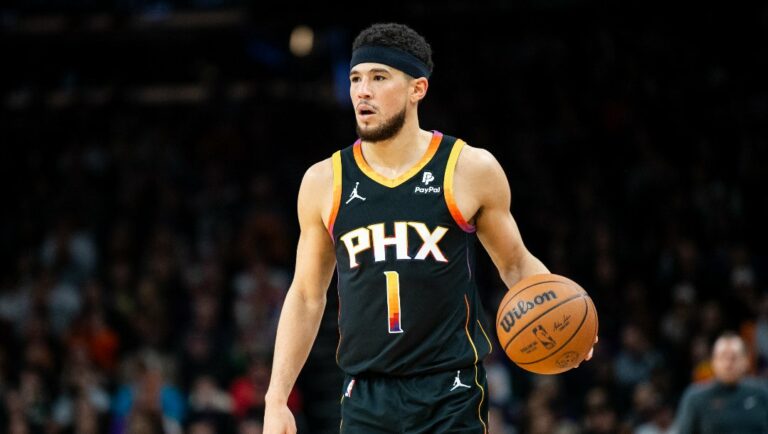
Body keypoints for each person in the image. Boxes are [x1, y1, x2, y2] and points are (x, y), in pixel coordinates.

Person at [264, 22, 595, 433]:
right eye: (355, 79)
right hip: (366, 393)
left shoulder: (469, 168)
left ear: (417, 89)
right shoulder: (323, 181)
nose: (362, 91)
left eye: (379, 78)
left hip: (450, 390)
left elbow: (515, 265)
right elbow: (307, 295)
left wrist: (565, 318)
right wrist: (276, 398)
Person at [674, 332, 768, 434]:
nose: (728, 363)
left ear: (745, 361)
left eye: (734, 357)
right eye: (723, 356)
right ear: (713, 361)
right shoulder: (696, 398)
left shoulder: (762, 393)